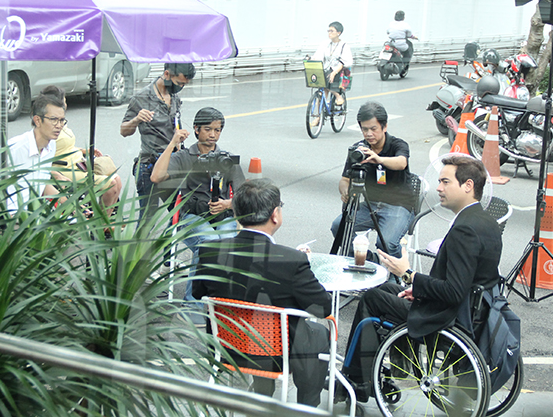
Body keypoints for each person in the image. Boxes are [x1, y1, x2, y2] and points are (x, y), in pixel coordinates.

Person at [341, 155, 502, 400]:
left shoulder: (465, 229)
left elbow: (454, 291)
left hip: (448, 316)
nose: (438, 188)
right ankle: (390, 364)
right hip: (472, 308)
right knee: (385, 290)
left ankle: (358, 382)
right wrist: (418, 287)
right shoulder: (486, 220)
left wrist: (407, 273)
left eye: (445, 182)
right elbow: (464, 281)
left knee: (372, 298)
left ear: (468, 185)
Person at [193, 179, 332, 408]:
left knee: (262, 322)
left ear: (236, 213)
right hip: (275, 354)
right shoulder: (292, 261)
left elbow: (199, 293)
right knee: (315, 332)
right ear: (275, 215)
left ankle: (262, 392)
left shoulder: (209, 251)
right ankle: (306, 408)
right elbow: (322, 307)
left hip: (226, 348)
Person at [151, 107, 245, 320]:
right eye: (208, 129)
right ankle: (192, 304)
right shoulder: (184, 156)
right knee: (208, 244)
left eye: (217, 130)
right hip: (192, 216)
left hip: (223, 215)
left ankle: (224, 301)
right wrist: (172, 144)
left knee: (229, 243)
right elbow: (156, 177)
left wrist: (228, 204)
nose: (213, 135)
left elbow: (243, 195)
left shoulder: (226, 159)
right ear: (196, 130)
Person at [330, 101, 414, 258]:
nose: (369, 134)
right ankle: (369, 260)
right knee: (338, 227)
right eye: (364, 129)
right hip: (370, 205)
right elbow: (344, 179)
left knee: (387, 242)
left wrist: (379, 159)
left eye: (373, 129)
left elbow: (401, 163)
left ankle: (397, 271)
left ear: (384, 127)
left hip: (398, 205)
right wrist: (345, 191)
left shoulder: (398, 145)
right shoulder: (358, 149)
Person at [120, 63, 196, 221]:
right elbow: (124, 131)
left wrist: (179, 135)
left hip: (172, 163)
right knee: (148, 218)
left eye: (184, 84)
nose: (180, 87)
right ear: (167, 74)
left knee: (179, 214)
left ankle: (168, 246)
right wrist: (136, 119)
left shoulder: (174, 96)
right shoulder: (141, 98)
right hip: (149, 166)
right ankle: (138, 246)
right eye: (179, 83)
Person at [0, 94, 68, 212]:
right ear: (37, 120)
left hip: (34, 215)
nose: (59, 126)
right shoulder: (16, 147)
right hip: (12, 218)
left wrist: (73, 206)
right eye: (53, 120)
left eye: (62, 120)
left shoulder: (51, 145)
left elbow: (42, 184)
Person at [40, 85, 121, 208]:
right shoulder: (48, 129)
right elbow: (41, 159)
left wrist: (84, 150)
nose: (66, 103)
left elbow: (65, 146)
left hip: (79, 162)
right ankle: (102, 222)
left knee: (117, 180)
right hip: (66, 169)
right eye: (64, 100)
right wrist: (57, 175)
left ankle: (106, 220)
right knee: (111, 184)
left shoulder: (60, 122)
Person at [311, 21, 352, 109]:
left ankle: (338, 96)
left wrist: (334, 72)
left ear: (338, 33)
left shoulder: (344, 45)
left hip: (339, 71)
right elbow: (318, 55)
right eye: (328, 31)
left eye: (332, 31)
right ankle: (318, 117)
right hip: (326, 69)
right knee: (321, 93)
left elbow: (345, 62)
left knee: (327, 79)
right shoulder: (325, 44)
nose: (329, 33)